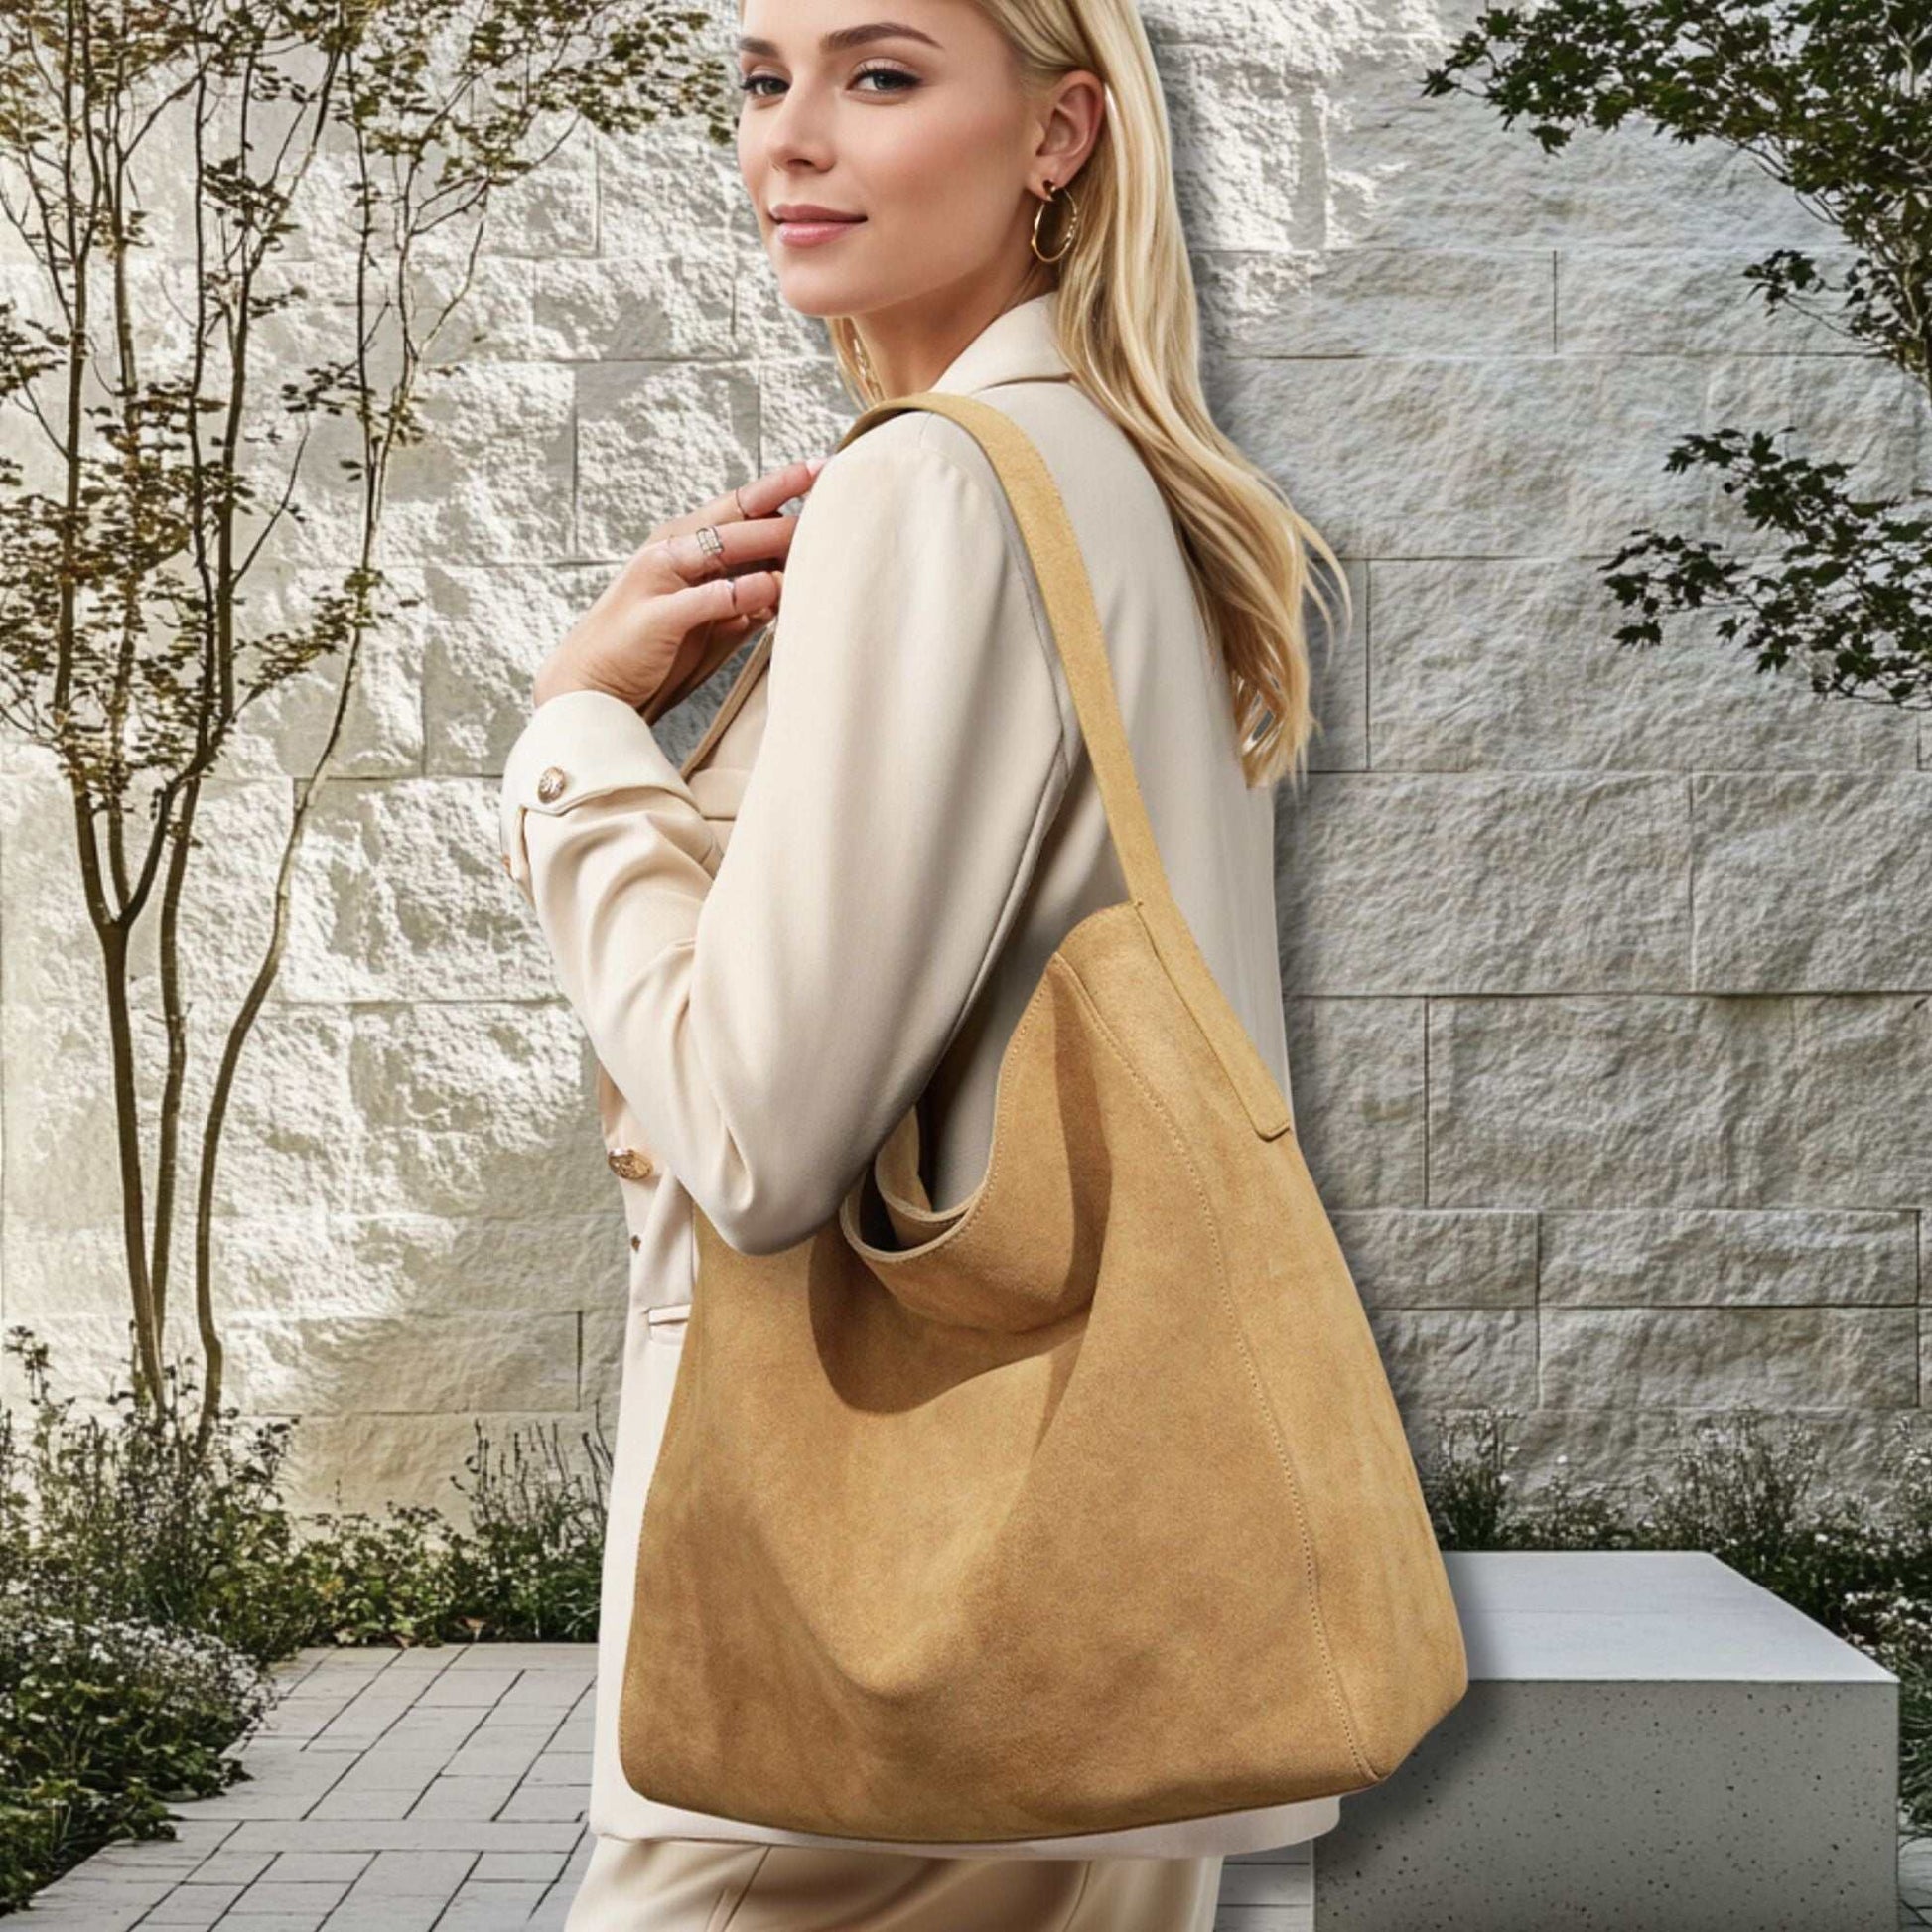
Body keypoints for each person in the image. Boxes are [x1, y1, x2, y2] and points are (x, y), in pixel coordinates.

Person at [496, 0, 1354, 1924]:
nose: (789, 139)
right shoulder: (1124, 486)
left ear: (1057, 137)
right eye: (760, 78)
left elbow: (762, 1130)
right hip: (1087, 1609)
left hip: (856, 1637)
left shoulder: (936, 487)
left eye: (878, 76)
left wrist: (574, 747)